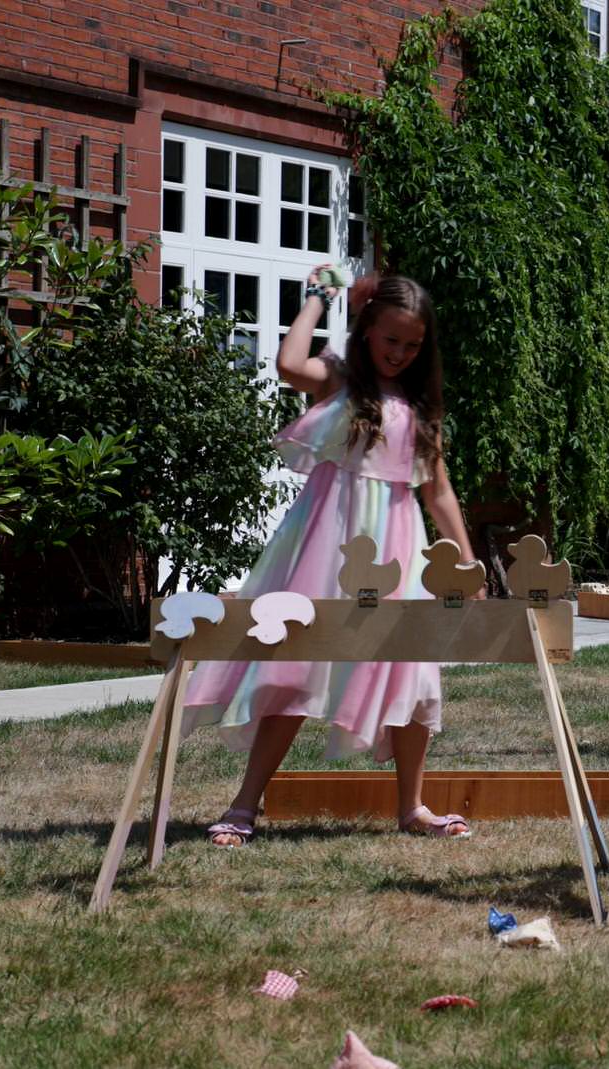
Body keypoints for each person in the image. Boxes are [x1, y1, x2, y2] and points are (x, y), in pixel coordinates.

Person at [184, 269, 484, 846]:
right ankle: (245, 805)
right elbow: (289, 364)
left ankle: (412, 807)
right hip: (327, 543)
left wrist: (466, 564)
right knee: (295, 664)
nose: (399, 353)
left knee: (412, 671)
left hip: (398, 548)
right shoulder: (340, 380)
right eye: (390, 338)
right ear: (367, 330)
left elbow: (438, 491)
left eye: (412, 344)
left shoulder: (420, 406)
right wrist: (317, 302)